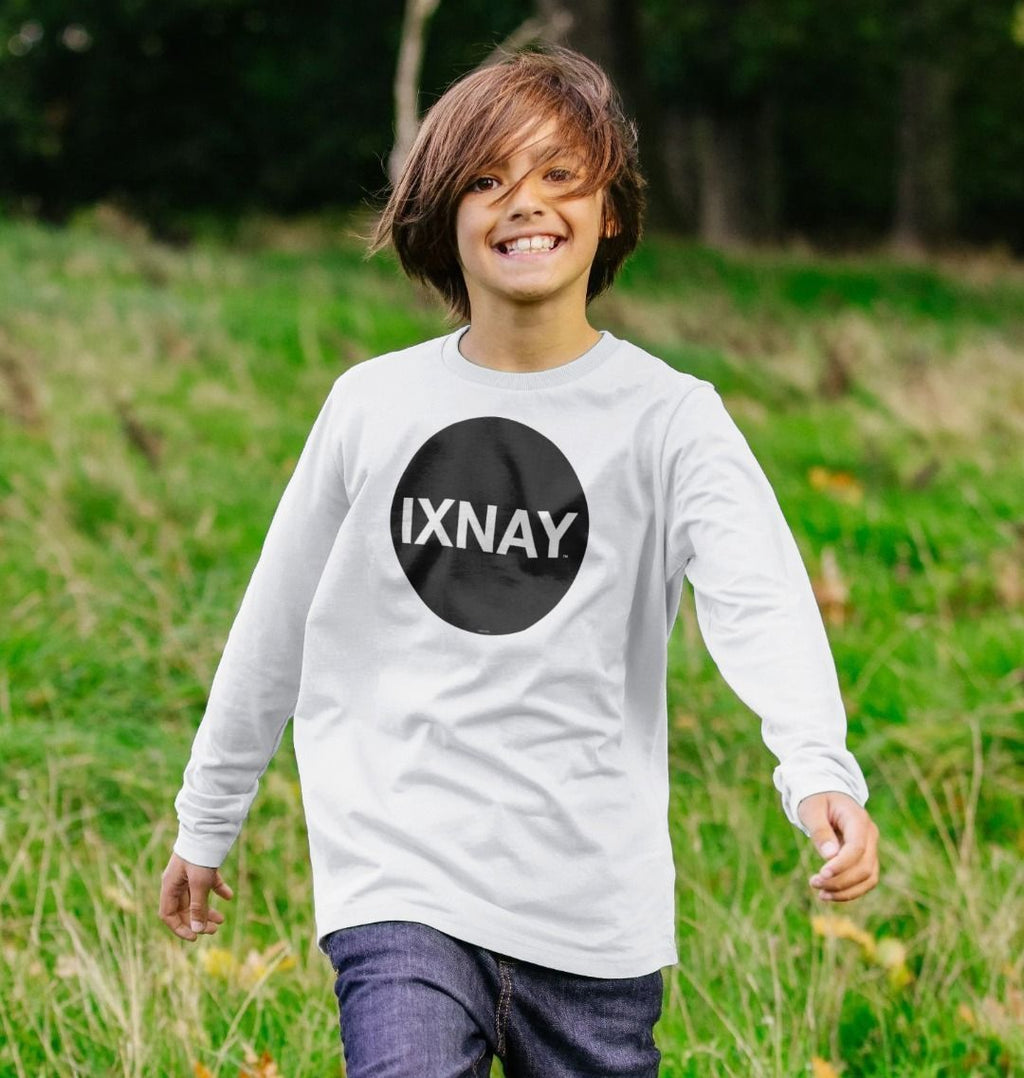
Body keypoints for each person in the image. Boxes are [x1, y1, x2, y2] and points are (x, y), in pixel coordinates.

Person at [159, 44, 880, 1077]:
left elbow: (758, 599)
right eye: (486, 180)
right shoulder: (373, 406)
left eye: (556, 176)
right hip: (399, 879)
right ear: (443, 214)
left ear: (611, 210)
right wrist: (207, 815)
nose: (521, 205)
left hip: (590, 908)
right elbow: (273, 622)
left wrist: (814, 767)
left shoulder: (670, 419)